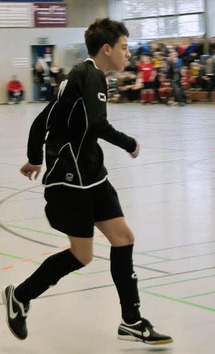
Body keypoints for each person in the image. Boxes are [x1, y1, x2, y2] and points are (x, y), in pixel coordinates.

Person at [3, 18, 172, 345]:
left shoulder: (76, 76)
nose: (127, 54)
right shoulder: (92, 74)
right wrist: (130, 143)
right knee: (81, 255)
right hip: (72, 179)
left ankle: (132, 322)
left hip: (90, 175)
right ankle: (20, 296)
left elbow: (42, 122)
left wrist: (34, 157)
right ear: (107, 49)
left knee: (123, 238)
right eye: (124, 47)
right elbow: (97, 124)